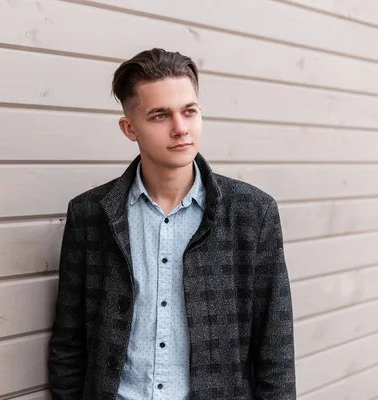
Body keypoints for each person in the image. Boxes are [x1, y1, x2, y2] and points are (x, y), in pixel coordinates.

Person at [48, 48, 296, 400]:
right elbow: (69, 344)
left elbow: (275, 347)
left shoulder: (252, 214)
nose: (180, 128)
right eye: (160, 115)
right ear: (129, 128)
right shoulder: (90, 215)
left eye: (189, 111)